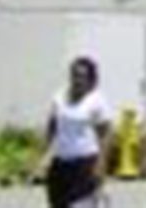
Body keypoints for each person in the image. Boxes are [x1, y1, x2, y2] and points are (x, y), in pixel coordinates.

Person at [42, 56, 113, 208]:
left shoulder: (96, 101)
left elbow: (106, 135)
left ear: (91, 79)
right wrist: (43, 154)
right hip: (60, 164)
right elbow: (52, 126)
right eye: (74, 74)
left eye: (82, 76)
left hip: (85, 164)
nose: (77, 79)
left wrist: (101, 164)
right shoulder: (59, 97)